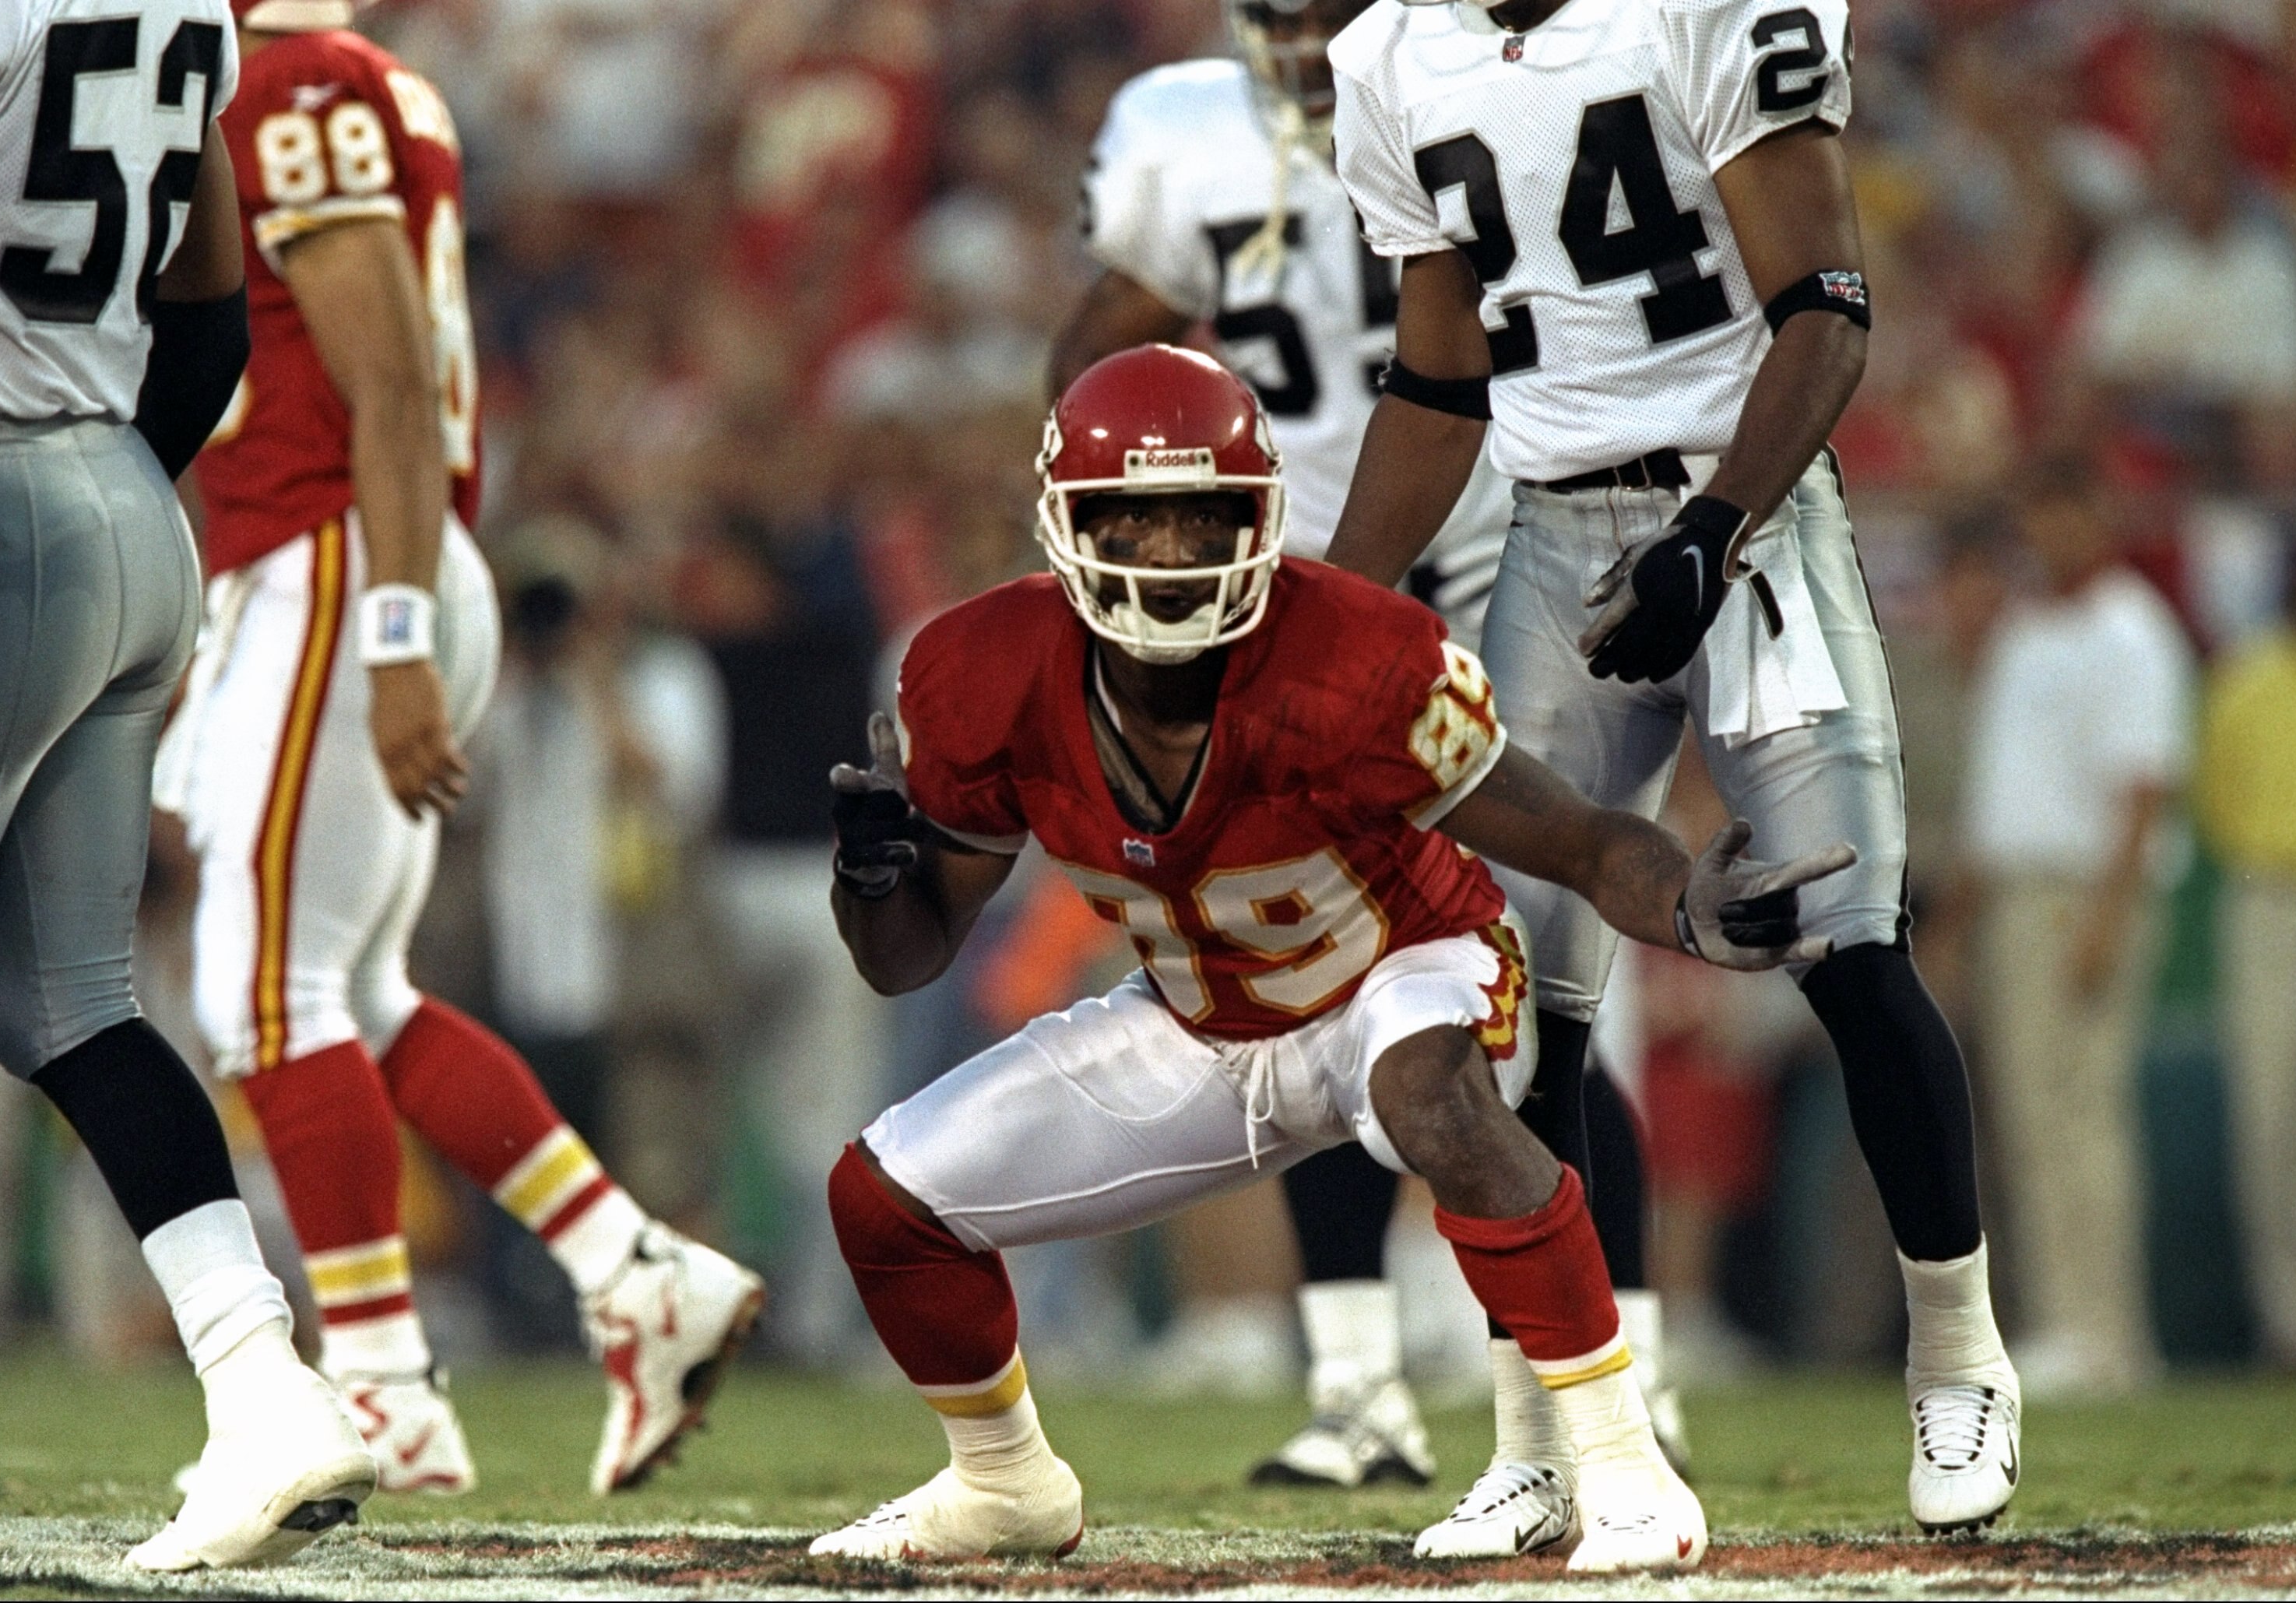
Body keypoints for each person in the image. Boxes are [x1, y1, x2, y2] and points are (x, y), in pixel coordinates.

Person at [807, 345, 1855, 1570]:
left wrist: (1685, 904)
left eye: (1202, 516)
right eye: (1134, 520)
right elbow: (905, 956)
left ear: (1257, 518)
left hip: (1409, 963)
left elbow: (1574, 836)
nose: (1170, 552)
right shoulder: (983, 672)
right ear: (1067, 527)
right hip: (1206, 1017)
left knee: (1427, 1089)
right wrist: (874, 876)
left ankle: (1623, 1462)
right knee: (881, 1196)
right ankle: (1003, 1480)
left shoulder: (1353, 654)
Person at [1321, 0, 2019, 1538]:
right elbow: (1440, 386)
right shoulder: (1388, 56)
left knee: (1848, 947)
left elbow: (1827, 309)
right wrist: (1332, 615)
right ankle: (1548, 1433)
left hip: (1748, 513)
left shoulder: (1707, 8)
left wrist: (1711, 530)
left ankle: (1958, 1352)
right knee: (1509, 1015)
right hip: (1548, 532)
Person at [1049, 0, 1671, 1487]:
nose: (1297, 35)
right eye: (1275, 11)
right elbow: (1093, 363)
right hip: (1285, 585)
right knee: (1317, 973)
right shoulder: (1186, 133)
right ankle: (1356, 1380)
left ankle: (1624, 1362)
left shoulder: (1469, 81)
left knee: (1546, 985)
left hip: (1501, 550)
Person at [156, 0, 761, 1496]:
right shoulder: (337, 78)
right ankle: (631, 1269)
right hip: (337, 558)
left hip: (338, 559)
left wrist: (398, 633)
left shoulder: (296, 79)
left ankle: (380, 1381)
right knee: (354, 991)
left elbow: (393, 392)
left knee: (267, 995)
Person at [0, 0, 378, 1569]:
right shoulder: (182, 10)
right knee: (67, 1007)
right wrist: (105, 485)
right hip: (127, 513)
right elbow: (210, 317)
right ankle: (263, 1385)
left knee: (65, 1000)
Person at [1957, 473, 2192, 1395]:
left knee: (2083, 1113)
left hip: (2081, 891)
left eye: (2065, 515)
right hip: (2018, 894)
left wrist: (2107, 918)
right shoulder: (2024, 628)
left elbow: (2143, 791)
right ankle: (2065, 1322)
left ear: (2098, 519)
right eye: (2037, 518)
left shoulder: (2130, 632)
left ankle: (2107, 1332)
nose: (2049, 535)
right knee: (2032, 1118)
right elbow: (2003, 795)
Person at [2199, 535, 2296, 1373]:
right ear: (2293, 591)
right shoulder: (2248, 681)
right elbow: (2220, 799)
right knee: (2276, 1121)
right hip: (2277, 899)